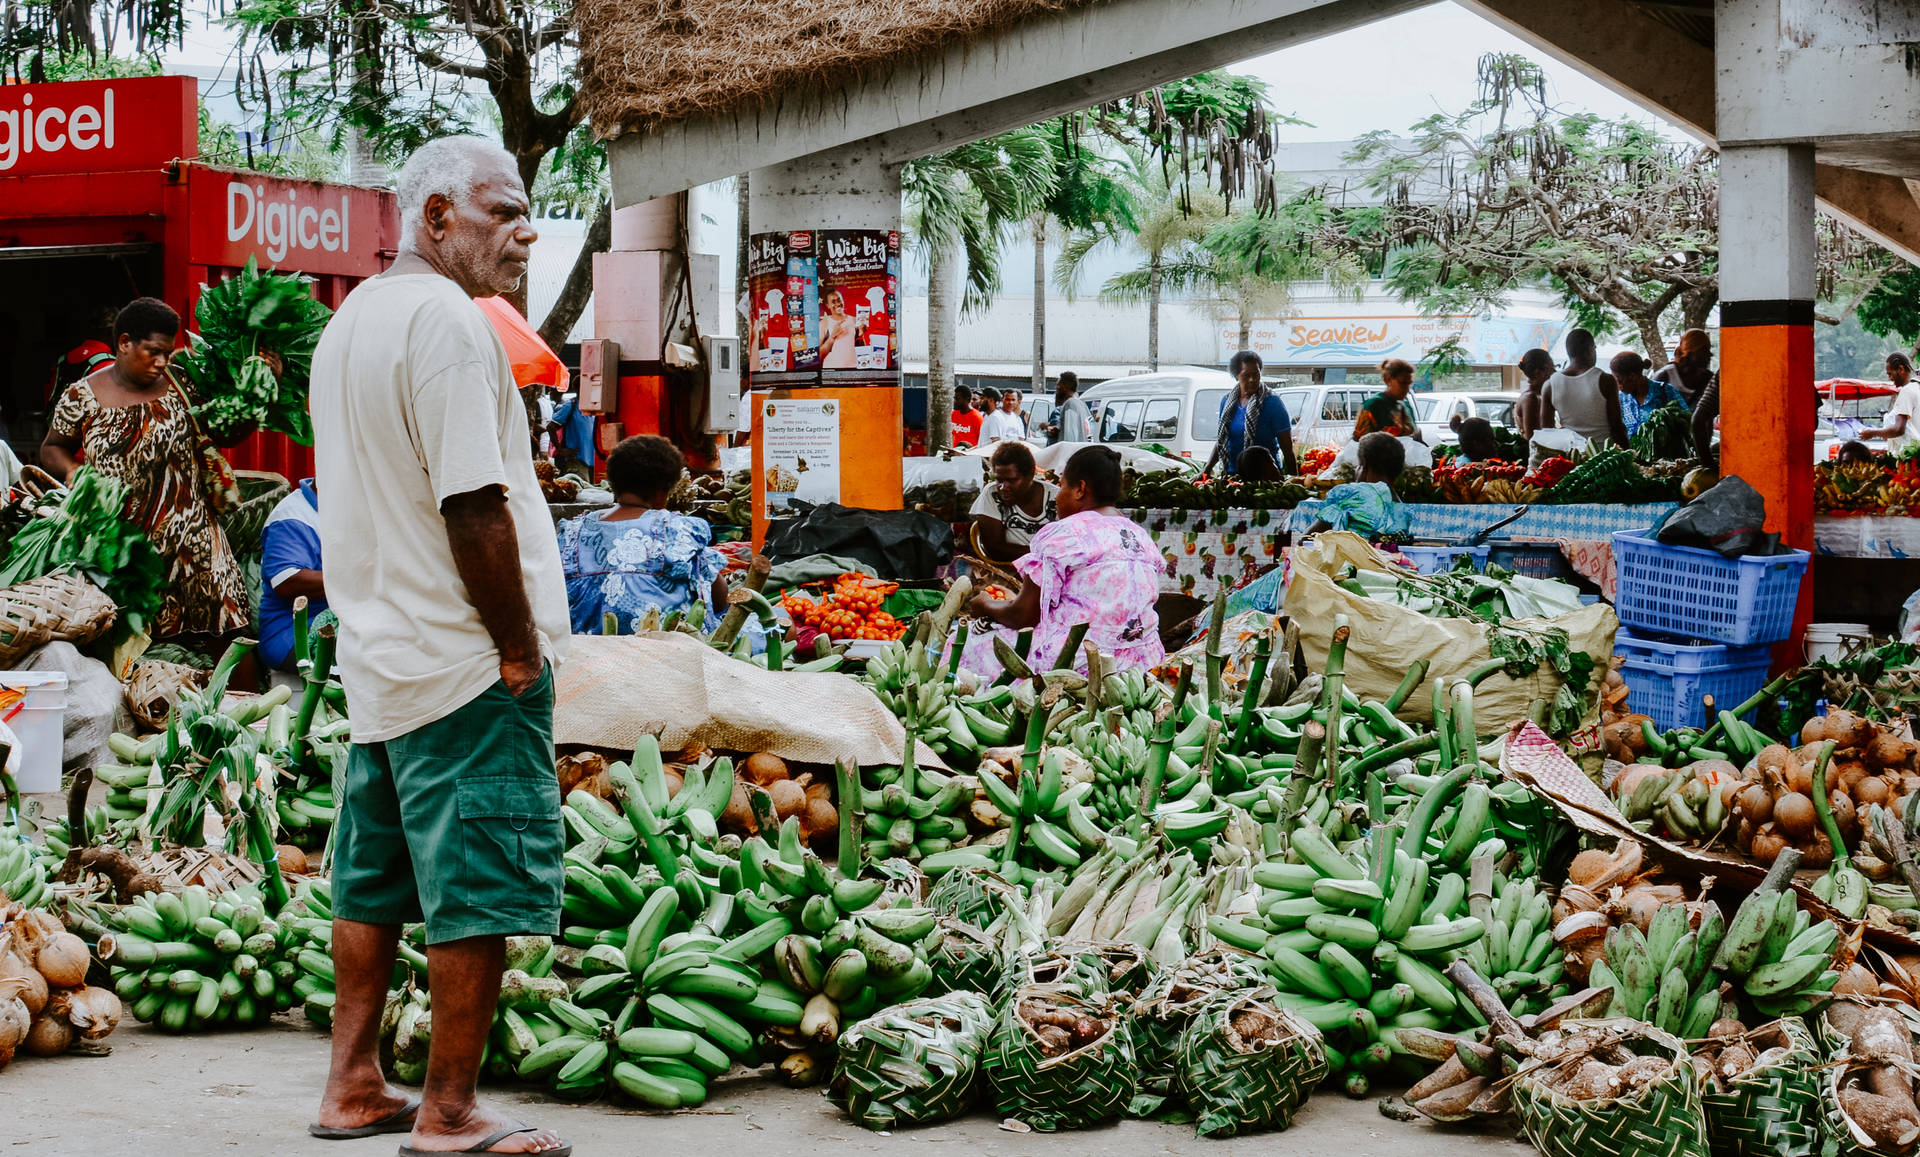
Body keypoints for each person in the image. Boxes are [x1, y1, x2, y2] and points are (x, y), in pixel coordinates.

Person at [307, 136, 572, 1157]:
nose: (525, 231)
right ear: (435, 218)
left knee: (371, 880)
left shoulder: (354, 321)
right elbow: (473, 501)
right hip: (461, 659)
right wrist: (516, 646)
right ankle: (450, 1109)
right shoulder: (450, 323)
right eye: (503, 212)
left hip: (381, 654)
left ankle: (353, 1082)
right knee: (477, 882)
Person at [40, 297, 251, 641]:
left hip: (193, 542)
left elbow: (225, 433)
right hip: (123, 548)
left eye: (167, 352)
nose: (161, 362)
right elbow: (52, 447)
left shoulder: (184, 384)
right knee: (129, 641)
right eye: (153, 351)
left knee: (226, 630)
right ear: (124, 343)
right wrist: (71, 470)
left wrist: (258, 395)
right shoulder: (82, 397)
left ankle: (236, 696)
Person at [957, 445, 1164, 677]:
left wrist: (985, 604)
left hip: (1077, 662)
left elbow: (1023, 615)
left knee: (967, 637)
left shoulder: (1063, 533)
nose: (1057, 496)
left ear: (1080, 490)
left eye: (1063, 486)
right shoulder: (1139, 536)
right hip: (1142, 660)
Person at [557, 435, 728, 634]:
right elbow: (719, 597)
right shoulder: (677, 529)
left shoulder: (573, 532)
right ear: (663, 490)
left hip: (587, 652)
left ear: (613, 482)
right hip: (663, 653)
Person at [259, 478, 325, 673]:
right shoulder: (293, 516)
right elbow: (287, 581)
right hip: (293, 635)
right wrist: (361, 576)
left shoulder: (350, 506)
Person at [1205, 350, 1298, 476]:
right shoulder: (1227, 402)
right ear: (1236, 375)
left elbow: (1287, 448)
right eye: (1246, 375)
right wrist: (1206, 469)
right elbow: (1222, 439)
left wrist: (1293, 479)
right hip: (1232, 475)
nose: (1252, 379)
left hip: (1266, 477)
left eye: (1256, 374)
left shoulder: (1272, 402)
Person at [1310, 432, 1412, 538]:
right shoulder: (1401, 509)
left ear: (1365, 465)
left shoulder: (1354, 494)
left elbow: (1309, 537)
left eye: (1358, 466)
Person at [1541, 329, 1628, 448]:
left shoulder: (1550, 385)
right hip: (1605, 457)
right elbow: (1617, 426)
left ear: (1569, 352)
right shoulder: (1605, 380)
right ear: (1590, 349)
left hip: (1571, 456)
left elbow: (1547, 432)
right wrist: (1630, 454)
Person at [971, 441, 1055, 562]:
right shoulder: (992, 493)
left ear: (1030, 475)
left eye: (1011, 480)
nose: (1003, 487)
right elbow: (994, 548)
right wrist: (1044, 555)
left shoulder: (1056, 496)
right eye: (999, 480)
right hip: (1009, 571)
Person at [1611, 351, 1686, 438]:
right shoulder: (1621, 399)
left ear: (1632, 377)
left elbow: (1686, 422)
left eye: (1619, 381)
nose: (1617, 386)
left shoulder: (1665, 391)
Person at [1860, 353, 1920, 453]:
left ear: (1901, 369)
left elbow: (1898, 430)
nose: (1890, 378)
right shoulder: (1916, 389)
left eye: (1890, 374)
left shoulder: (1907, 391)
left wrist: (1872, 433)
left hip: (1910, 460)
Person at [1354, 358, 1422, 441]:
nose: (1406, 389)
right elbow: (1360, 442)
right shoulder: (1373, 405)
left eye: (1409, 384)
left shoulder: (1406, 406)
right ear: (1388, 380)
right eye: (1402, 383)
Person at [1654, 328, 1717, 409]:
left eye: (1708, 351)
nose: (1709, 356)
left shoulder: (1708, 378)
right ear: (1689, 353)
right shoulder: (1664, 376)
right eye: (1703, 351)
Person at [547, 390, 596, 474]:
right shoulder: (570, 405)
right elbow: (550, 427)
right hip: (576, 460)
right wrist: (560, 450)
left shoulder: (592, 407)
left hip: (592, 460)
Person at [1515, 349, 1556, 439]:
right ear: (1538, 373)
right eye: (1552, 369)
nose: (1554, 374)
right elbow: (1532, 439)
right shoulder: (1530, 398)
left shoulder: (1536, 396)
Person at [1047, 372, 1093, 444]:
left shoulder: (1070, 404)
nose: (1057, 388)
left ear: (1067, 386)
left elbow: (1070, 437)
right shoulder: (1080, 404)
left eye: (1059, 385)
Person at [820, 288, 858, 369]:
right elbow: (819, 355)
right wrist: (832, 336)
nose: (837, 304)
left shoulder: (855, 320)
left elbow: (862, 346)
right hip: (832, 370)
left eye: (839, 300)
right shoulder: (824, 323)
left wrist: (863, 333)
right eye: (833, 302)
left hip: (853, 368)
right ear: (828, 305)